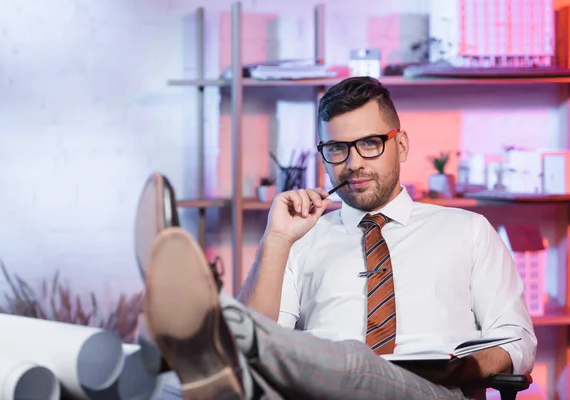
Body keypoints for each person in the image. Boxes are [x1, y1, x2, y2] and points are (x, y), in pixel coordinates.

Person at [143, 76, 537, 400]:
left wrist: (464, 368)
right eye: (336, 149)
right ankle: (218, 337)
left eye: (369, 143)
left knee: (357, 363)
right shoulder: (302, 239)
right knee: (170, 387)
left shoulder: (467, 230)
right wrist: (277, 239)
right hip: (323, 389)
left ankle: (215, 326)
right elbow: (265, 344)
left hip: (435, 390)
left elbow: (517, 341)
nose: (353, 164)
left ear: (400, 145)